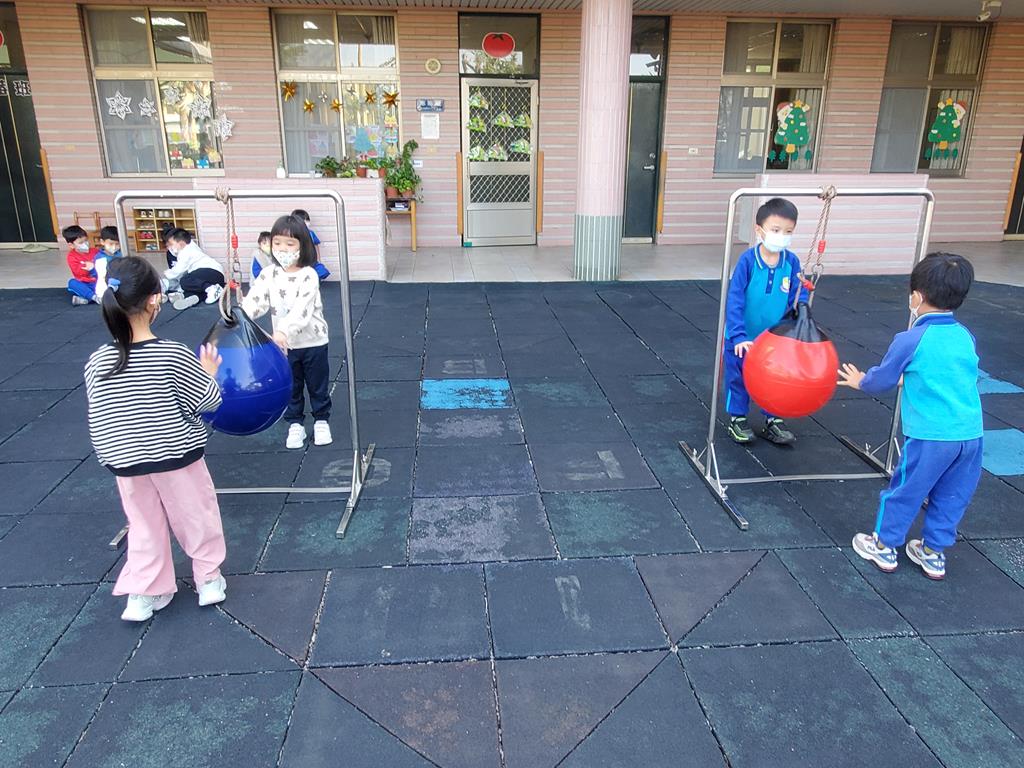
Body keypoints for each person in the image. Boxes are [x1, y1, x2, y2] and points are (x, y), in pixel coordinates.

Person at [84, 256, 228, 621]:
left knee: (143, 524)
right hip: (176, 456)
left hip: (125, 463)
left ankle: (145, 592)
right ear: (155, 300)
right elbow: (207, 401)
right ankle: (208, 578)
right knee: (196, 514)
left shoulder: (98, 361)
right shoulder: (172, 354)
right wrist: (209, 372)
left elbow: (98, 414)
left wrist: (111, 456)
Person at [842, 253, 982, 581]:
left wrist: (860, 380)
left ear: (916, 297)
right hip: (970, 436)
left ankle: (884, 545)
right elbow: (953, 374)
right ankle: (933, 553)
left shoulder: (911, 339)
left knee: (907, 489)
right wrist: (916, 378)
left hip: (931, 437)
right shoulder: (965, 336)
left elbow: (882, 380)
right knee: (952, 494)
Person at [242, 214, 332, 450]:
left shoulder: (308, 275)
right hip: (285, 345)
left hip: (313, 341)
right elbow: (256, 299)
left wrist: (282, 330)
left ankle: (321, 420)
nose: (283, 249)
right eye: (277, 243)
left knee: (317, 384)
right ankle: (295, 424)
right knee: (291, 386)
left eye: (290, 244)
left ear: (302, 246)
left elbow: (303, 309)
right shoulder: (269, 274)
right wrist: (242, 315)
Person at [724, 197, 809, 445]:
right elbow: (735, 299)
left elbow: (798, 293)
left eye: (788, 232)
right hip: (743, 336)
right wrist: (738, 335)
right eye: (776, 230)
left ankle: (773, 418)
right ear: (759, 230)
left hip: (773, 338)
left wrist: (801, 311)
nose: (782, 236)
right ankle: (737, 418)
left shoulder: (791, 262)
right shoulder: (748, 261)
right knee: (738, 378)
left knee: (774, 379)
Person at [163, 228, 226, 310]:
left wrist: (166, 274)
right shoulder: (192, 246)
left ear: (181, 243)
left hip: (211, 272)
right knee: (195, 288)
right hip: (217, 278)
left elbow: (177, 271)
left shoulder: (185, 252)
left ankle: (211, 288)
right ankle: (194, 297)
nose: (170, 248)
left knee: (185, 280)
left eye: (171, 244)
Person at [291, 208, 331, 281]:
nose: (307, 222)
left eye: (307, 220)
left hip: (312, 260)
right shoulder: (292, 235)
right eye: (304, 221)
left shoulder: (311, 233)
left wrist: (319, 259)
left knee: (322, 272)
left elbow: (316, 245)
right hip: (299, 262)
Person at [64, 224, 99, 306]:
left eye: (86, 240)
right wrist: (87, 267)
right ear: (71, 245)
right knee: (72, 283)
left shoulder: (95, 251)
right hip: (85, 283)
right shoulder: (71, 257)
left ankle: (86, 300)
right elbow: (78, 273)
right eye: (81, 243)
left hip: (99, 281)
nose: (85, 244)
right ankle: (95, 298)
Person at [94, 225, 124, 301]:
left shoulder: (121, 254)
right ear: (102, 242)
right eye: (111, 244)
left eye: (117, 244)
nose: (114, 247)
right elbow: (102, 275)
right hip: (106, 281)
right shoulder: (100, 257)